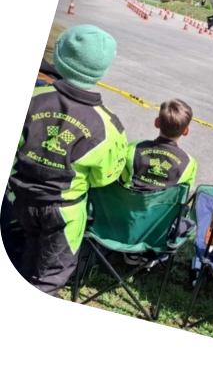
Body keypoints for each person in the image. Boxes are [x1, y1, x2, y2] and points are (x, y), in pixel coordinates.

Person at [8, 24, 128, 297]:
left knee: (28, 253)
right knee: (50, 276)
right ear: (101, 71)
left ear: (58, 57)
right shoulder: (108, 127)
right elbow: (104, 176)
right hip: (64, 213)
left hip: (21, 198)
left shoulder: (35, 98)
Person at [119, 99, 197, 265]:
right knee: (181, 210)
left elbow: (122, 180)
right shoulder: (188, 163)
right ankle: (151, 253)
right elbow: (182, 197)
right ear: (186, 131)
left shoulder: (134, 149)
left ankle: (131, 251)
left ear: (156, 122)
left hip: (126, 220)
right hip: (158, 228)